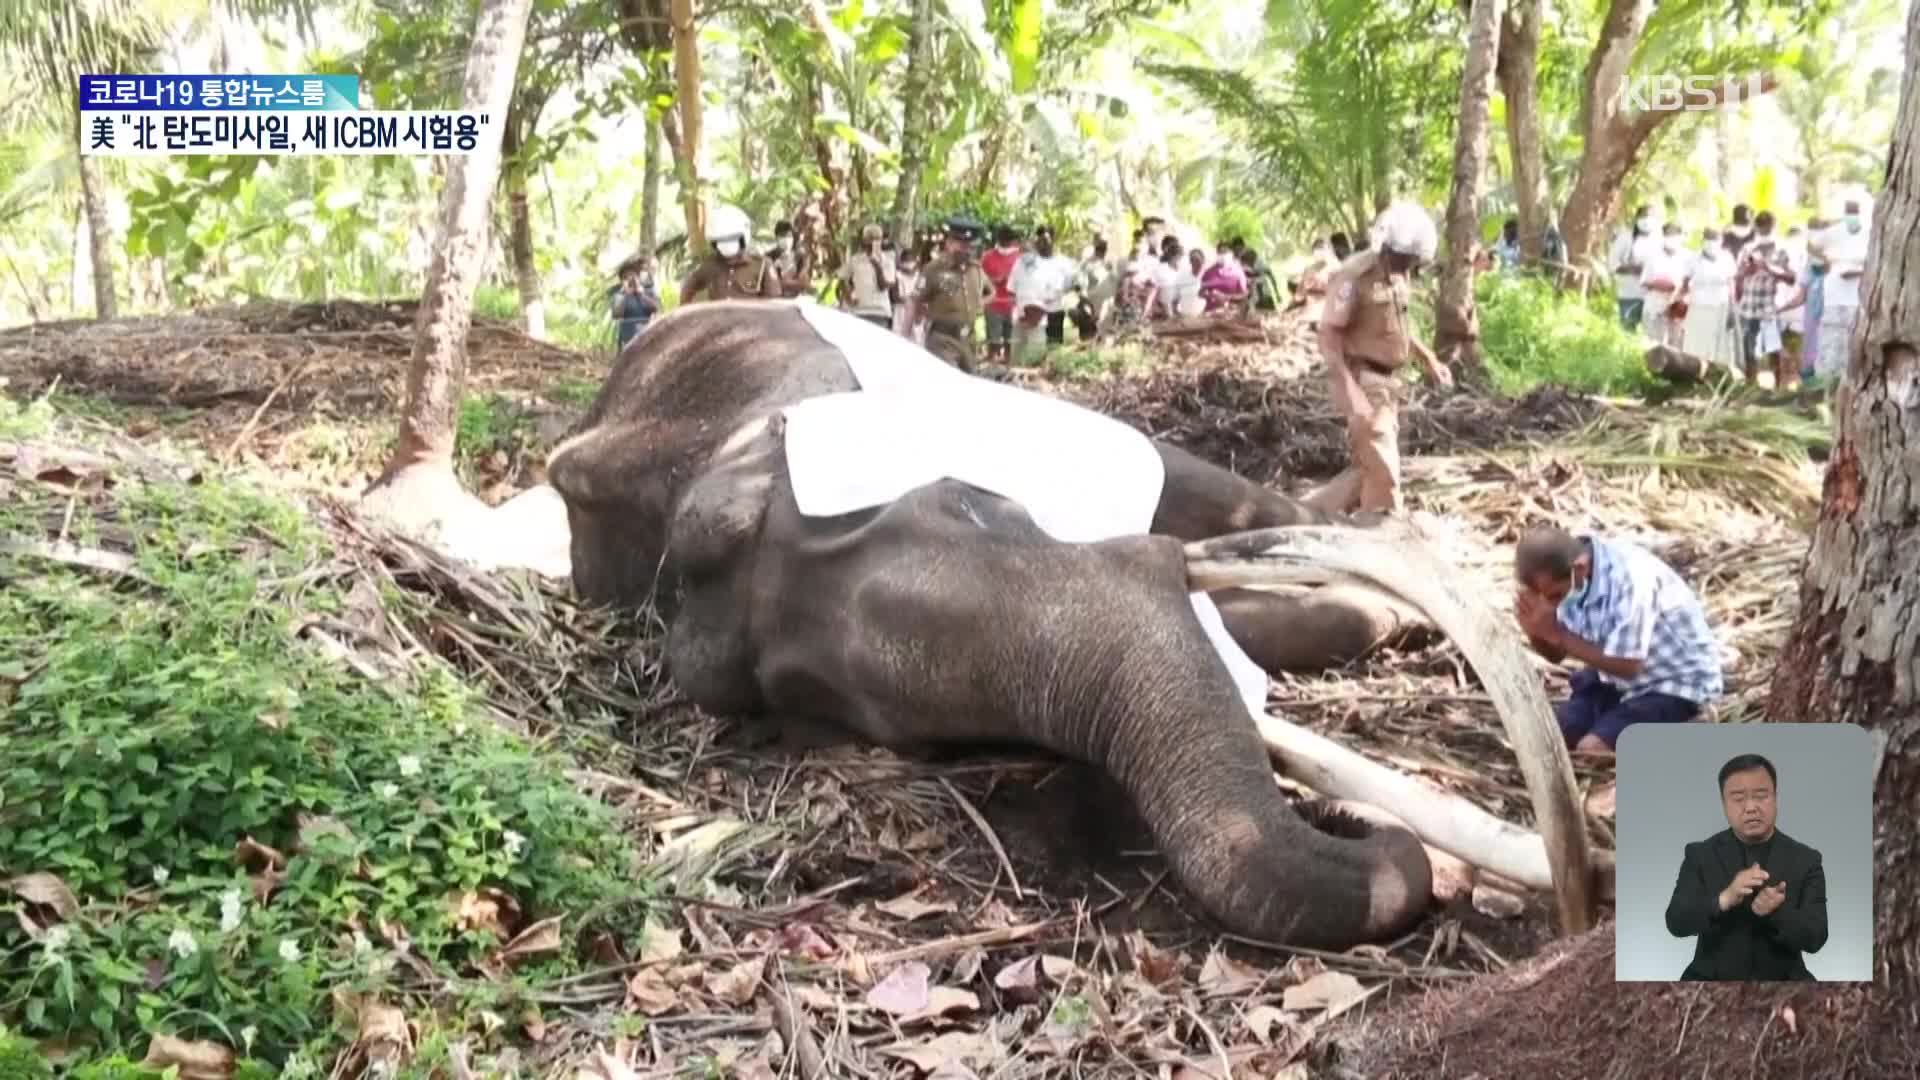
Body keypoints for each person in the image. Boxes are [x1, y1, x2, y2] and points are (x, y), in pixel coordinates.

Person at [1512, 526, 1724, 756]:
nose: (1553, 605)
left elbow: (1629, 665)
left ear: (1580, 569)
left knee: (1591, 750)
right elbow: (1557, 654)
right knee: (1553, 737)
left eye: (1555, 597)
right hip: (1611, 681)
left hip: (1674, 684)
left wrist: (1556, 633)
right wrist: (1536, 632)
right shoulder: (1564, 586)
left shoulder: (1631, 578)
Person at [1302, 201, 1452, 515]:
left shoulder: (1400, 275)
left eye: (1413, 262)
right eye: (1404, 260)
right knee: (1385, 472)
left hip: (1389, 385)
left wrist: (1429, 360)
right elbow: (1329, 336)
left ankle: (1305, 515)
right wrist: (1351, 393)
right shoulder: (1353, 277)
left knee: (1368, 470)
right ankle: (1387, 531)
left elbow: (1395, 329)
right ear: (1388, 249)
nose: (1408, 267)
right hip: (1364, 381)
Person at [1664, 754, 1828, 981]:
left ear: (1775, 798)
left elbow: (1816, 938)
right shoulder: (1700, 855)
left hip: (1784, 984)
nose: (1751, 807)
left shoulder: (1806, 859)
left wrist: (1777, 913)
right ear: (1724, 803)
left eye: (1761, 796)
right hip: (1710, 982)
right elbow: (1676, 922)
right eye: (1738, 798)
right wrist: (1723, 899)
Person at [916, 217, 990, 372]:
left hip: (968, 340)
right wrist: (906, 334)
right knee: (949, 384)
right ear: (949, 243)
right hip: (943, 339)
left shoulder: (976, 270)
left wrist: (980, 303)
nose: (966, 250)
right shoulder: (934, 269)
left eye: (969, 246)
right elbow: (915, 299)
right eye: (961, 245)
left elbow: (991, 292)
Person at [1734, 211, 1796, 388]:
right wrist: (1747, 270)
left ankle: (1777, 388)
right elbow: (1738, 276)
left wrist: (1769, 268)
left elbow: (1791, 278)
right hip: (1749, 305)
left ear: (1774, 226)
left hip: (1769, 306)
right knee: (1749, 348)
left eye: (1767, 225)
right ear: (1755, 227)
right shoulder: (1748, 249)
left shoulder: (1782, 249)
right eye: (1760, 225)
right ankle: (1751, 387)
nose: (1764, 229)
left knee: (1773, 348)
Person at [680, 205, 783, 303]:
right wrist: (685, 308)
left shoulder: (762, 265)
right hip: (718, 320)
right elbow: (690, 285)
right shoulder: (710, 265)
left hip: (751, 321)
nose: (726, 246)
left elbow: (774, 304)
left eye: (731, 240)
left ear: (743, 239)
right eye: (720, 241)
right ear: (714, 243)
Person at [1817, 199, 1870, 382]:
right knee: (1832, 343)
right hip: (1835, 296)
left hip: (1856, 297)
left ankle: (1850, 384)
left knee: (1854, 344)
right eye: (1850, 212)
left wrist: (1856, 271)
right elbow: (1814, 254)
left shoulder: (1869, 234)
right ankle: (1827, 386)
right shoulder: (1832, 233)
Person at [1009, 224, 1076, 354]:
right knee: (1020, 353)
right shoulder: (1025, 262)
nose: (1042, 243)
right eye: (1039, 239)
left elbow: (1069, 287)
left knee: (1052, 351)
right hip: (1026, 315)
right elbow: (1013, 289)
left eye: (1046, 239)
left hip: (1053, 314)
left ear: (1053, 240)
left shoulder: (1064, 263)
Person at [1680, 229, 1738, 371]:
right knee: (1696, 345)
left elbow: (1731, 284)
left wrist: (1732, 308)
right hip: (1698, 307)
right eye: (1708, 239)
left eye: (1715, 239)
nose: (1711, 243)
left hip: (1721, 307)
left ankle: (1720, 377)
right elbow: (1685, 284)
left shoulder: (1727, 258)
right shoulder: (1693, 259)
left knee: (1720, 346)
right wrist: (1679, 302)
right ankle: (1695, 375)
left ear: (1721, 241)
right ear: (1703, 240)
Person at [1639, 223, 1688, 348]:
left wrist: (1677, 294)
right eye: (1668, 235)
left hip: (1677, 308)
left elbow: (1690, 283)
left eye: (1675, 235)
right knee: (1652, 345)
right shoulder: (1653, 255)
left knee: (1676, 347)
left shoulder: (1687, 257)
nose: (1671, 238)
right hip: (1654, 305)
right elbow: (1644, 281)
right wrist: (1659, 284)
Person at [1610, 206, 1659, 332]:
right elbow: (1612, 263)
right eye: (1644, 216)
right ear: (1637, 218)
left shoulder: (1659, 241)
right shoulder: (1626, 237)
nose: (1647, 220)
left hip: (1652, 297)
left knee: (1649, 335)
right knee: (1627, 331)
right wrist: (1631, 268)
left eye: (1651, 217)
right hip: (1629, 293)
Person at [841, 223, 897, 329]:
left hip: (880, 312)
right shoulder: (855, 260)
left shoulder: (888, 261)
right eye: (869, 238)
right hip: (859, 311)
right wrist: (849, 297)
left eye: (876, 239)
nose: (872, 242)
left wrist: (877, 266)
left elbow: (884, 286)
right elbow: (842, 280)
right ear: (864, 240)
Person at [980, 226, 1022, 362]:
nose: (1006, 244)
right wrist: (995, 280)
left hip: (1013, 303)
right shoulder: (987, 256)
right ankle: (991, 359)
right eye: (1003, 241)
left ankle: (1008, 360)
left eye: (1009, 241)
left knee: (1010, 337)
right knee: (993, 337)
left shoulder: (1019, 258)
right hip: (993, 303)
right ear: (999, 240)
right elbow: (979, 278)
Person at [608, 256, 662, 351]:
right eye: (626, 277)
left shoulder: (648, 291)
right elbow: (616, 314)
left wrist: (641, 294)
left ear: (638, 277)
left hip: (647, 335)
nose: (630, 280)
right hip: (628, 338)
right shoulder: (619, 295)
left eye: (632, 276)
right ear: (621, 281)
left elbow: (656, 308)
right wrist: (625, 294)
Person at [1070, 237, 1117, 340]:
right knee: (1089, 340)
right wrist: (1087, 305)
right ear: (1095, 249)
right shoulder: (1087, 264)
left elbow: (1115, 286)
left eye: (1103, 249)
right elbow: (1079, 286)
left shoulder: (1109, 265)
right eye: (1099, 248)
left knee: (1105, 341)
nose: (1101, 251)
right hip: (1090, 307)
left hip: (1107, 309)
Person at [891, 245, 927, 343]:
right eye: (906, 261)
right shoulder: (897, 276)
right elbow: (895, 296)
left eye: (911, 260)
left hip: (916, 314)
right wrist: (909, 300)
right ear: (901, 262)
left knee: (917, 342)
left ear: (916, 261)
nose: (909, 264)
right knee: (899, 341)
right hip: (900, 313)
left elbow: (924, 296)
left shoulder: (921, 277)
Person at [767, 220, 811, 297]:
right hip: (773, 299)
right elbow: (766, 283)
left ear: (793, 237)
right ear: (776, 237)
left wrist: (779, 282)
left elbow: (803, 284)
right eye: (782, 236)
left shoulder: (801, 257)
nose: (786, 239)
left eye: (789, 236)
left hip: (795, 300)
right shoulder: (769, 257)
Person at [1200, 243, 1249, 313]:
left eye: (1225, 252)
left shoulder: (1238, 273)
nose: (1222, 255)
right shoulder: (1209, 272)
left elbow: (1243, 295)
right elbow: (1201, 293)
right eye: (1220, 252)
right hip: (1210, 312)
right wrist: (1210, 295)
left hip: (1229, 313)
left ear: (1231, 254)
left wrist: (1226, 297)